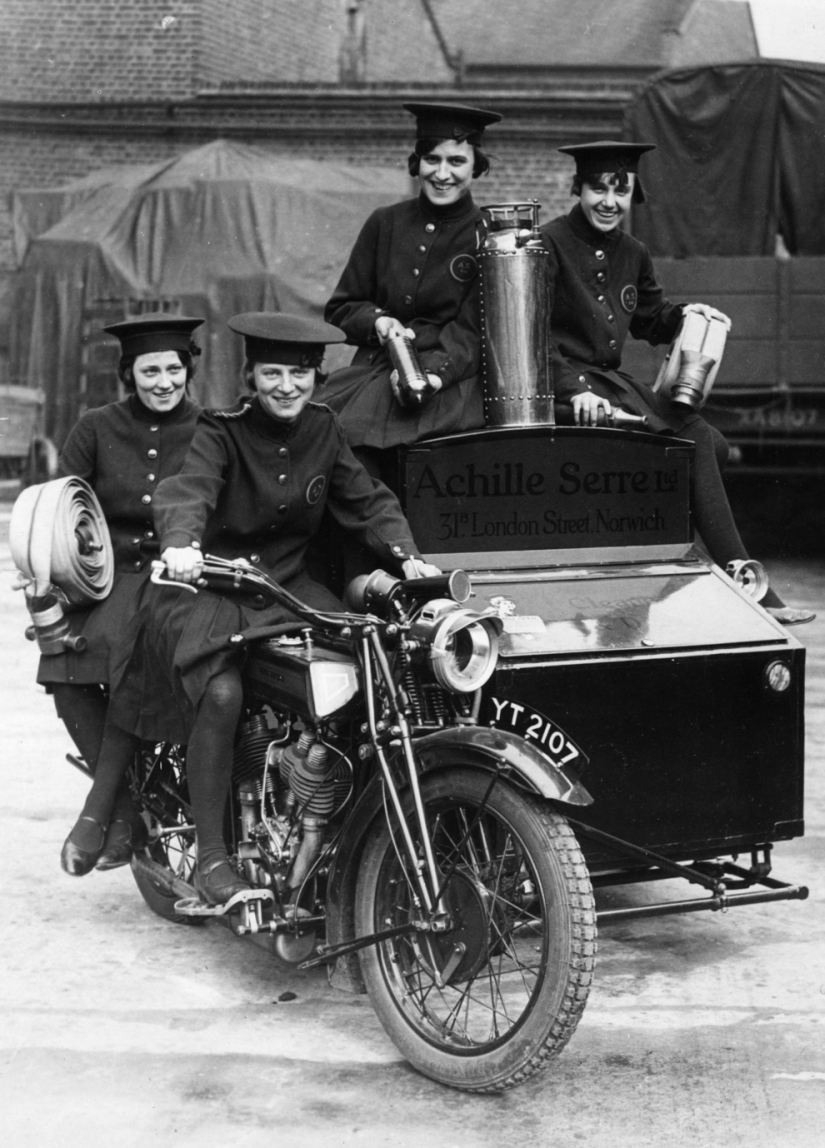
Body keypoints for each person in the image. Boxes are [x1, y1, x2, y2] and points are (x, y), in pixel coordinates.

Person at [82, 312, 440, 907]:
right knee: (222, 695)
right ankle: (215, 862)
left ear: (314, 377)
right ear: (250, 375)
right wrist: (182, 545)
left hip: (287, 587)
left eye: (298, 374)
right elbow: (188, 488)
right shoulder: (220, 431)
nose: (285, 386)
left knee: (374, 658)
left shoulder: (324, 428)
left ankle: (327, 810)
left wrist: (409, 558)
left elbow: (367, 500)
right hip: (212, 590)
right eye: (271, 373)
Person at [539, 140, 814, 626]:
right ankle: (742, 577)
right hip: (566, 390)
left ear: (632, 196)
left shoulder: (633, 251)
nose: (609, 201)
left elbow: (650, 319)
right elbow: (531, 336)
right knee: (693, 443)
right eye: (598, 188)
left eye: (620, 191)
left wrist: (688, 315)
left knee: (719, 446)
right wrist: (573, 388)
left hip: (609, 383)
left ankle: (698, 569)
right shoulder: (549, 243)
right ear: (577, 188)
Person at [52, 314, 204, 875]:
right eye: (150, 370)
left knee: (131, 660)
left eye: (173, 368)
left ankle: (98, 815)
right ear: (129, 374)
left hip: (179, 581)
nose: (163, 381)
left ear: (187, 371)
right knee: (63, 670)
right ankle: (124, 812)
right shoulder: (96, 426)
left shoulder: (212, 426)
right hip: (108, 580)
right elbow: (61, 504)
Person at [323, 100, 502, 488]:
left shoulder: (488, 234)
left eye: (456, 162)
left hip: (451, 378)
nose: (442, 174)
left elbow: (475, 331)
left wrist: (433, 376)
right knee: (337, 446)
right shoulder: (385, 222)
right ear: (415, 163)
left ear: (477, 167)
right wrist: (379, 322)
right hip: (374, 368)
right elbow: (342, 307)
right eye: (431, 159)